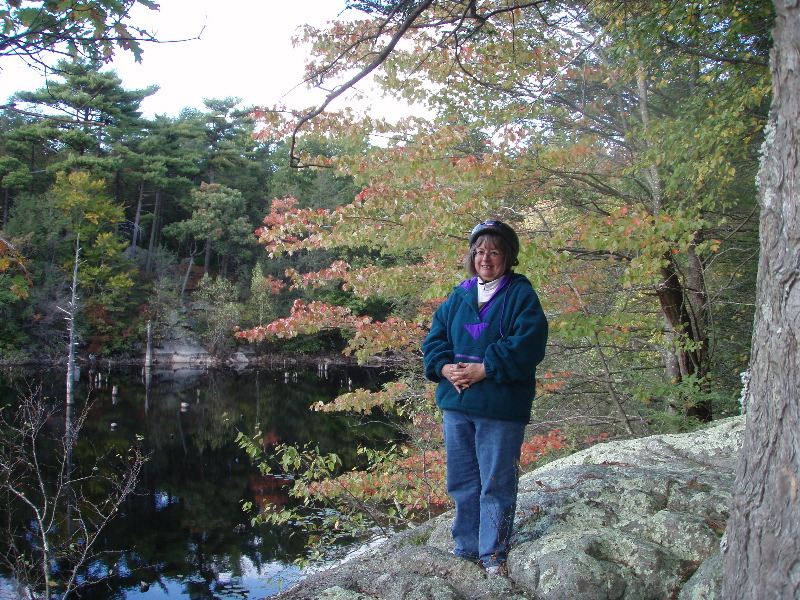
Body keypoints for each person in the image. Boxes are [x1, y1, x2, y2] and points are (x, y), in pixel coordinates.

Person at [422, 219, 548, 575]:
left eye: (494, 252)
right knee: (462, 481)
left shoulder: (521, 294)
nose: (486, 258)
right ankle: (467, 546)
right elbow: (434, 341)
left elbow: (528, 344)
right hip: (457, 405)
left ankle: (493, 553)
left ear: (508, 257)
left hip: (500, 407)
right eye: (479, 251)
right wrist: (445, 368)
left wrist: (485, 368)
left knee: (496, 483)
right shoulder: (459, 296)